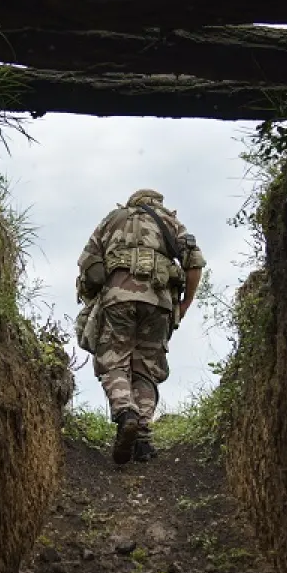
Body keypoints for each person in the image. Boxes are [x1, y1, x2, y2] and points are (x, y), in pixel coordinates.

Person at [75, 189, 206, 465]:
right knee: (146, 367)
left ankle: (126, 413)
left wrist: (93, 298)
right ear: (158, 203)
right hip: (159, 303)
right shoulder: (170, 222)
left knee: (114, 361)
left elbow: (88, 264)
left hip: (118, 299)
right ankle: (142, 440)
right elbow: (194, 260)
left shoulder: (113, 219)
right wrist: (185, 303)